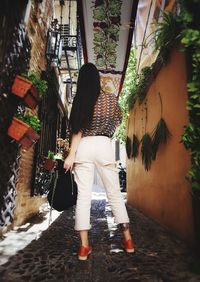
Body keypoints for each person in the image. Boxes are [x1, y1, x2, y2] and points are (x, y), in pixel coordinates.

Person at [64, 63, 135, 260]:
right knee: (114, 193)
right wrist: (105, 130)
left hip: (84, 146)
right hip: (104, 144)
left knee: (84, 197)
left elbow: (77, 131)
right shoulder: (111, 99)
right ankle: (128, 240)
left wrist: (71, 154)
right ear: (97, 79)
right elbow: (119, 119)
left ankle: (84, 247)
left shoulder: (80, 100)